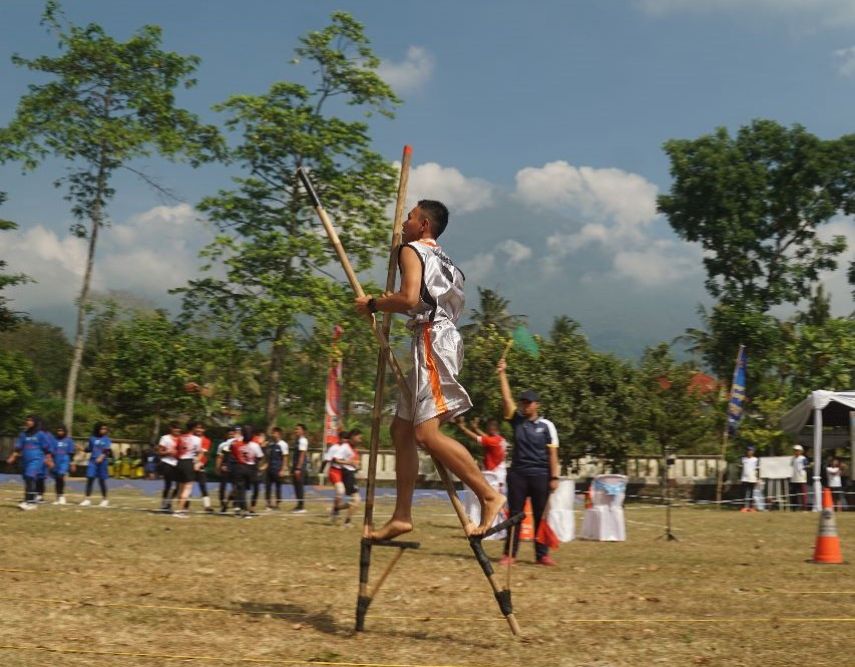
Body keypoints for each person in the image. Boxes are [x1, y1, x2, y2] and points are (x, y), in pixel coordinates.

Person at [354, 200, 504, 539]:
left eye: (410, 217)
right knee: (401, 430)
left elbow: (409, 299)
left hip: (433, 339)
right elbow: (421, 299)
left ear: (423, 225)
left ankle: (489, 495)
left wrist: (374, 304)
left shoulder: (410, 250)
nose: (404, 222)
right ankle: (402, 516)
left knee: (426, 434)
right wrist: (396, 301)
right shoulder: (445, 259)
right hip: (439, 336)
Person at [496, 358, 560, 566]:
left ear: (536, 405)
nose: (525, 405)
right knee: (515, 515)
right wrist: (502, 374)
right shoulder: (517, 421)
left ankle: (542, 555)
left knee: (541, 515)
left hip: (540, 475)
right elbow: (507, 400)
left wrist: (554, 477)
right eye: (523, 402)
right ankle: (510, 554)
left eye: (529, 402)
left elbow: (553, 455)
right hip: (518, 475)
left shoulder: (547, 426)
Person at [6, 415, 53, 510]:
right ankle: (29, 500)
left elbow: (47, 449)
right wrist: (12, 456)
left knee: (30, 476)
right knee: (27, 479)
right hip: (25, 460)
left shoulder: (40, 434)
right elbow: (18, 448)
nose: (28, 422)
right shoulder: (23, 434)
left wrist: (49, 459)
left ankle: (30, 503)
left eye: (31, 420)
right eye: (27, 420)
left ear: (35, 422)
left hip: (36, 459)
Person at [456, 417, 508, 495]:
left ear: (492, 429)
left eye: (487, 427)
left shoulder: (492, 441)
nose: (486, 429)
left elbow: (477, 438)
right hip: (500, 474)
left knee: (493, 498)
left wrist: (463, 428)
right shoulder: (500, 439)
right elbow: (486, 437)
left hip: (494, 476)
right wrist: (476, 429)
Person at [230, 425, 265, 518]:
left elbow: (232, 452)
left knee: (241, 490)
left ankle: (243, 509)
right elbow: (260, 456)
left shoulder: (236, 444)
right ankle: (247, 509)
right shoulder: (255, 445)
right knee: (251, 488)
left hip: (240, 467)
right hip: (251, 468)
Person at [172, 421, 204, 518]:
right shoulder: (196, 439)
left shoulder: (180, 437)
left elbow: (175, 450)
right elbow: (200, 452)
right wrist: (197, 461)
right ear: (193, 428)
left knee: (181, 488)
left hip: (180, 462)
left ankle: (178, 508)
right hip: (189, 462)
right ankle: (180, 511)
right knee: (187, 488)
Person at [80, 422, 112, 507]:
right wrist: (82, 449)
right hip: (93, 461)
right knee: (90, 479)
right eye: (102, 429)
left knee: (101, 481)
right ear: (98, 429)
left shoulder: (107, 439)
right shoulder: (92, 438)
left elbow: (107, 450)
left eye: (105, 429)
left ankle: (105, 499)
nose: (104, 430)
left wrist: (101, 457)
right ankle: (87, 499)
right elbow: (89, 449)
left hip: (103, 462)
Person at [49, 425, 77, 505]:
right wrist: (50, 461)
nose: (60, 432)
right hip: (56, 461)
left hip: (64, 461)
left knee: (61, 476)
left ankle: (62, 496)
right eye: (58, 430)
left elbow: (71, 453)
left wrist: (72, 463)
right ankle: (58, 497)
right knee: (57, 479)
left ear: (65, 431)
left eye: (61, 430)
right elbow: (51, 452)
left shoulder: (68, 441)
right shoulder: (54, 440)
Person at [157, 423, 181, 512]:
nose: (177, 430)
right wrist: (168, 452)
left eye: (179, 429)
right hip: (167, 462)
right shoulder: (165, 438)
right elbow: (159, 452)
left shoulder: (182, 438)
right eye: (175, 428)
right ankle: (164, 504)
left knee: (179, 486)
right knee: (168, 484)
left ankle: (169, 502)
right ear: (171, 428)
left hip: (178, 464)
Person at [340, 428, 362, 527]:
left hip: (351, 474)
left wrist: (356, 467)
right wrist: (349, 463)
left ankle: (337, 508)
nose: (360, 440)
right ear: (353, 437)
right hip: (347, 474)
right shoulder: (345, 447)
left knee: (355, 500)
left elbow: (354, 463)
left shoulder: (353, 448)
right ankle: (347, 522)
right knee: (356, 500)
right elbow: (336, 459)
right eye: (359, 437)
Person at [263, 427, 289, 510]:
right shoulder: (270, 444)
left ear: (278, 434)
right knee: (268, 486)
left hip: (277, 468)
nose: (272, 434)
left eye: (274, 433)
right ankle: (268, 503)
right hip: (269, 468)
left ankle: (277, 504)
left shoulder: (283, 444)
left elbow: (285, 457)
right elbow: (268, 456)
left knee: (278, 487)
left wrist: (283, 469)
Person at [215, 426, 238, 514]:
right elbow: (219, 457)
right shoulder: (222, 445)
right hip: (225, 467)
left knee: (235, 486)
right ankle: (222, 503)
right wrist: (217, 467)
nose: (231, 434)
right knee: (222, 486)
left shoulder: (238, 443)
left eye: (233, 433)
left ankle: (233, 502)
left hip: (235, 467)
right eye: (229, 433)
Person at [193, 423, 214, 513]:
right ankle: (171, 504)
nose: (199, 430)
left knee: (203, 485)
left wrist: (200, 463)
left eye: (201, 428)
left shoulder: (206, 441)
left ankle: (207, 506)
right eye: (197, 428)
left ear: (204, 430)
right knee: (183, 486)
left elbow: (205, 454)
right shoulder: (189, 438)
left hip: (199, 465)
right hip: (188, 464)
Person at [289, 423, 309, 513]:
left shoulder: (303, 441)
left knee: (299, 486)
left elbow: (302, 455)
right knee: (296, 485)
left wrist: (298, 468)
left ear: (303, 431)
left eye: (298, 429)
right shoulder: (297, 441)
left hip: (299, 467)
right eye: (295, 429)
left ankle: (301, 506)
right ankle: (298, 504)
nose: (296, 431)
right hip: (295, 465)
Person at [739, 446, 760, 512]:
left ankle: (751, 507)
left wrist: (757, 478)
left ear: (753, 452)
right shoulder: (743, 459)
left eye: (751, 450)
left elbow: (758, 470)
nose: (749, 452)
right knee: (743, 493)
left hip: (752, 478)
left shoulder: (756, 460)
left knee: (751, 494)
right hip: (744, 478)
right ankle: (743, 507)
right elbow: (740, 469)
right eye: (748, 450)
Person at [790, 444, 809, 511]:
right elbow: (791, 466)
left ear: (800, 451)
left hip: (802, 478)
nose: (796, 452)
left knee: (803, 494)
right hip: (794, 478)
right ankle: (794, 508)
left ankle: (804, 508)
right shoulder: (792, 458)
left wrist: (802, 470)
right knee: (794, 493)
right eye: (795, 450)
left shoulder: (803, 458)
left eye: (797, 450)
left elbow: (807, 466)